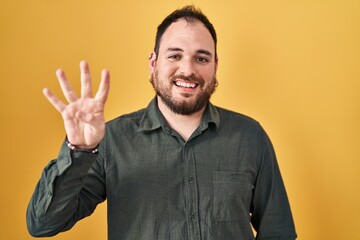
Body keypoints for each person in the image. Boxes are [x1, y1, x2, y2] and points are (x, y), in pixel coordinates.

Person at [26, 5, 297, 240]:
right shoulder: (112, 140)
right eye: (174, 55)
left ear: (215, 65)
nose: (188, 69)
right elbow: (43, 223)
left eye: (201, 58)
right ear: (153, 63)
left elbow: (278, 231)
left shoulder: (250, 137)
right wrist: (80, 151)